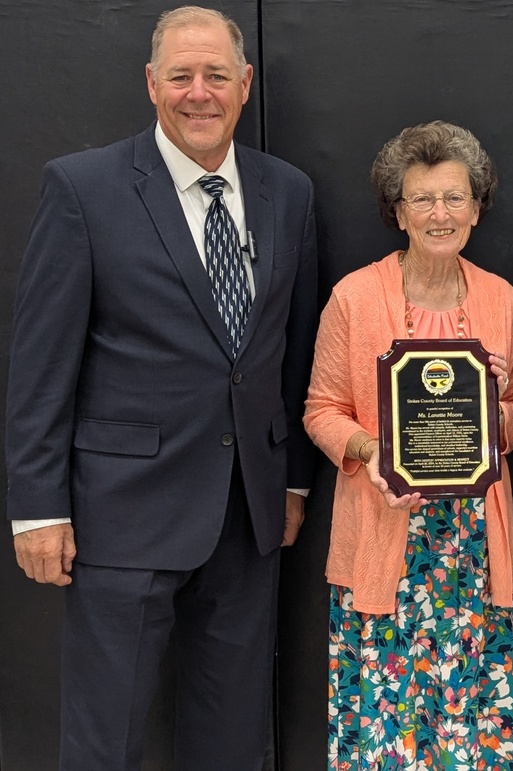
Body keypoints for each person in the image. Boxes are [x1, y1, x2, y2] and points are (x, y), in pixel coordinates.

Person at [5, 6, 317, 769]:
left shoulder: (289, 192)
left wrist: (292, 481)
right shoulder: (83, 189)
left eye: (216, 75)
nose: (199, 92)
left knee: (233, 738)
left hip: (248, 515)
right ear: (151, 83)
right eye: (181, 75)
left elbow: (294, 347)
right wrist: (38, 507)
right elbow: (41, 363)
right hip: (121, 515)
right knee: (104, 739)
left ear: (245, 84)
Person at [303, 120, 513, 770]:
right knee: (387, 730)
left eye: (455, 197)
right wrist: (369, 449)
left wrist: (496, 411)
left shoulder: (501, 298)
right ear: (398, 212)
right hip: (385, 544)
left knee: (473, 728)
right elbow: (321, 410)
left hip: (472, 554)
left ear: (477, 208)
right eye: (422, 199)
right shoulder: (354, 297)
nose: (440, 214)